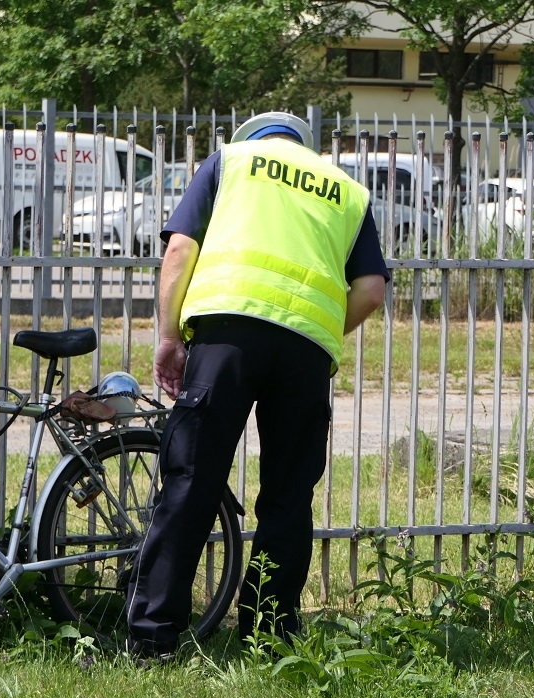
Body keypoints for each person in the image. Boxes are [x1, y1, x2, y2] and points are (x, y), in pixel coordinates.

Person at [124, 111, 390, 658]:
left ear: (254, 139)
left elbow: (180, 250)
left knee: (191, 480)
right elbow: (371, 289)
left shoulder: (231, 161)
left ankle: (154, 638)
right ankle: (267, 637)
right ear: (304, 146)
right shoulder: (346, 190)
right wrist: (316, 328)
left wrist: (169, 337)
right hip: (305, 352)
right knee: (289, 495)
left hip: (226, 334)